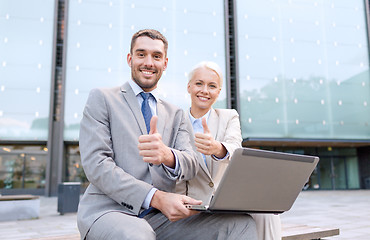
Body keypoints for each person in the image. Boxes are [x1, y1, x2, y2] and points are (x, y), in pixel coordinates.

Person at [77, 29, 257, 240]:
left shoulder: (176, 113)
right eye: (141, 54)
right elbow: (96, 165)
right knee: (138, 234)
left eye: (156, 56)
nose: (148, 62)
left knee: (241, 224)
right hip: (110, 210)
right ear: (130, 58)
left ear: (165, 63)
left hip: (161, 217)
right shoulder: (103, 98)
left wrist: (167, 156)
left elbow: (190, 163)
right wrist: (156, 197)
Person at [176, 61, 282, 240]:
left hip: (226, 199)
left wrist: (217, 148)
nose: (205, 90)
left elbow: (235, 148)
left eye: (212, 86)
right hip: (194, 204)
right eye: (199, 83)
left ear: (218, 92)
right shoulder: (175, 120)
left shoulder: (229, 116)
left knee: (268, 214)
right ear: (189, 87)